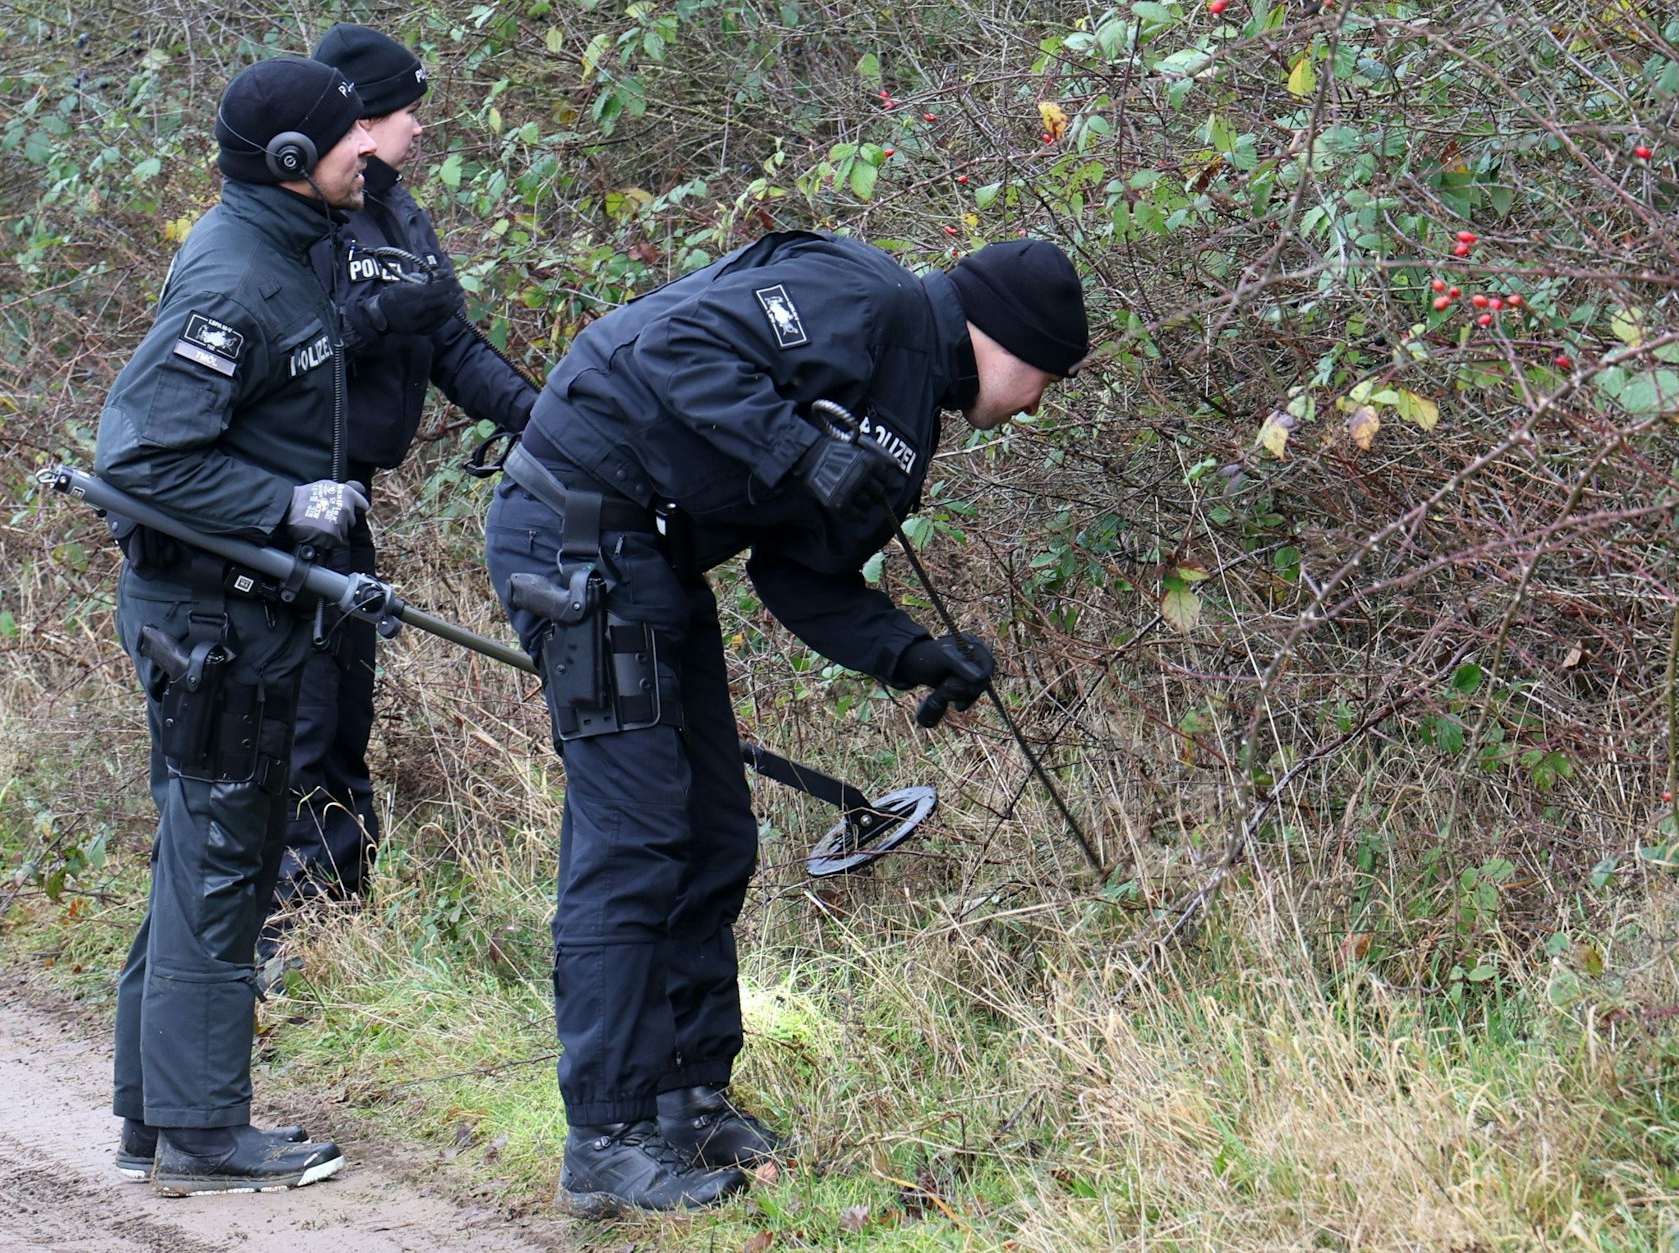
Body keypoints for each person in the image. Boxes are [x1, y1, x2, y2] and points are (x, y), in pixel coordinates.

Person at [482, 231, 1088, 1216]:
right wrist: (800, 448)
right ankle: (607, 1131)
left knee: (714, 830)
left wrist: (910, 651)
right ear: (1002, 338)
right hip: (574, 528)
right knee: (634, 836)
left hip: (653, 564)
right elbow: (672, 348)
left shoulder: (910, 423)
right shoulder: (859, 294)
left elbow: (796, 571)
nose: (1033, 406)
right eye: (1044, 378)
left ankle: (687, 1100)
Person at [92, 54, 380, 1195]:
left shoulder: (280, 251)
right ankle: (207, 1130)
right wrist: (283, 504)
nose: (373, 151)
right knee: (220, 862)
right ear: (294, 161)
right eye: (352, 136)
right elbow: (142, 455)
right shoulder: (233, 280)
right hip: (211, 624)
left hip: (243, 615)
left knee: (197, 855)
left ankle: (149, 1112)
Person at [269, 24, 539, 921]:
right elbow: (287, 350)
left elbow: (453, 344)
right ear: (359, 118)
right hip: (282, 495)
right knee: (302, 713)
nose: (419, 129)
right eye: (405, 112)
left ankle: (339, 909)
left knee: (346, 702)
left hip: (352, 503)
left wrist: (547, 420)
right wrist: (381, 312)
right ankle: (290, 918)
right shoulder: (298, 215)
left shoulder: (400, 213)